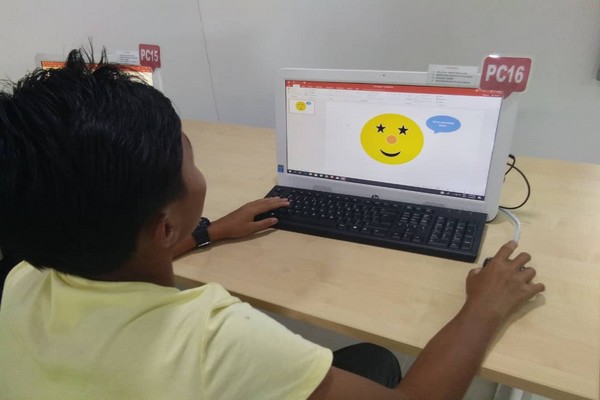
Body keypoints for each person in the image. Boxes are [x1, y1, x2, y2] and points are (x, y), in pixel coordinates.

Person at [0, 47, 545, 400]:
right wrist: (485, 306)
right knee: (378, 359)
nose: (197, 170)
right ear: (162, 226)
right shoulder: (217, 341)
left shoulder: (21, 282)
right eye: (190, 159)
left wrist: (206, 232)